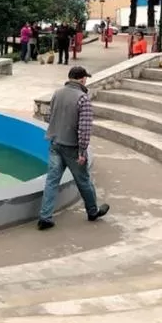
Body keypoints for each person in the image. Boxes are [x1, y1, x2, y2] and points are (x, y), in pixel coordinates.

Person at [38, 66, 109, 229]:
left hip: (55, 143)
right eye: (85, 78)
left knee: (52, 181)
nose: (86, 80)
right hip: (72, 147)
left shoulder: (57, 93)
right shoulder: (82, 98)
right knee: (83, 180)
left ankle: (45, 217)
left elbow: (50, 116)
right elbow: (84, 129)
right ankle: (92, 211)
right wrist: (82, 151)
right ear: (82, 79)